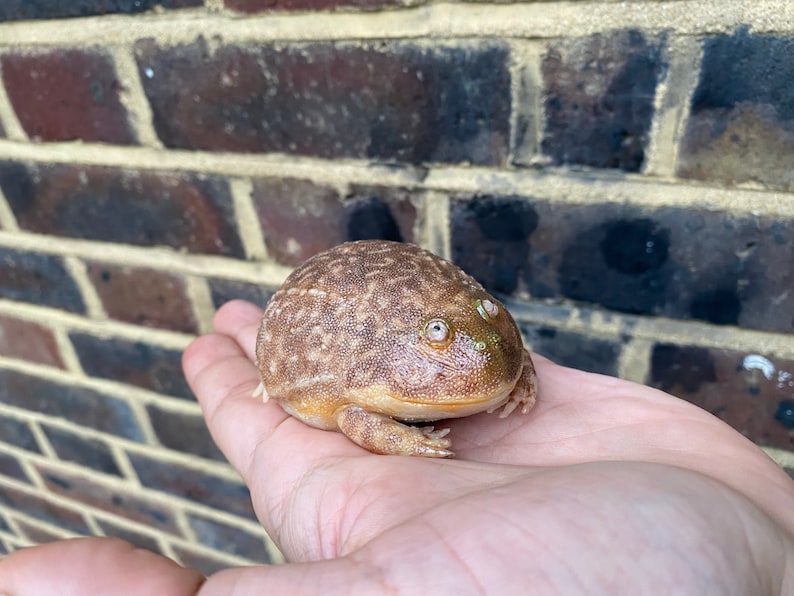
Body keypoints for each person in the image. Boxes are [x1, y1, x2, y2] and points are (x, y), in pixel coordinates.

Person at [1, 300, 793, 595]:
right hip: (335, 357)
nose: (471, 347)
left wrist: (512, 376)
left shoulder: (481, 334)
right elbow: (352, 416)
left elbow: (487, 334)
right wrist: (396, 437)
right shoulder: (380, 372)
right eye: (446, 339)